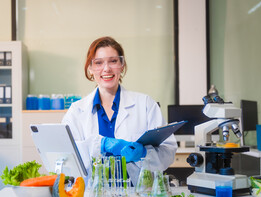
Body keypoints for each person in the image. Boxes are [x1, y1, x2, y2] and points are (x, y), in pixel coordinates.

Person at [62, 36, 177, 184]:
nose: (106, 68)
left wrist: (143, 154)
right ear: (90, 69)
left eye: (113, 61)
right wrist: (99, 145)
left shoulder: (145, 104)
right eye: (98, 63)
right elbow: (66, 157)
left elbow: (168, 151)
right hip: (92, 195)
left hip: (137, 195)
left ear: (122, 65)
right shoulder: (76, 111)